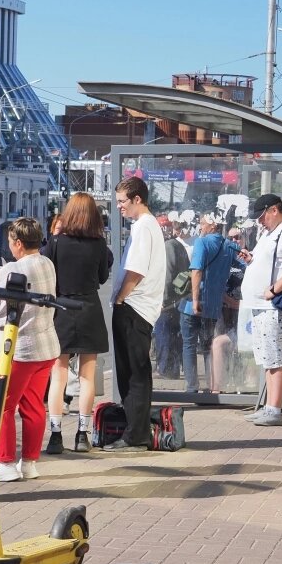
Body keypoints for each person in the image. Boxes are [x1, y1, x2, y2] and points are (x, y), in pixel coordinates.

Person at [0, 218, 60, 481]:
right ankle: (29, 462)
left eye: (10, 242)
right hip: (45, 346)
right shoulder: (47, 263)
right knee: (33, 406)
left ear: (17, 243)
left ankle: (5, 462)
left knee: (0, 405)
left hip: (16, 350)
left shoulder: (13, 270)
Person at [42, 193, 110, 454]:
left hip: (61, 310)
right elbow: (102, 277)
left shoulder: (57, 242)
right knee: (87, 377)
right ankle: (83, 435)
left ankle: (56, 435)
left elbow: (48, 273)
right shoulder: (99, 245)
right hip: (89, 309)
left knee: (57, 376)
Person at [106, 177, 166, 452]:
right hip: (140, 308)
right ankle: (136, 432)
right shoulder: (148, 226)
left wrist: (119, 297)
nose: (119, 207)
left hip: (134, 308)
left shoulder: (143, 227)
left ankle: (135, 435)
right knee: (135, 372)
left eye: (122, 202)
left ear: (137, 199)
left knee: (132, 374)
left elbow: (136, 270)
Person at [239, 194, 282, 427]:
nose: (260, 221)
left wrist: (275, 289)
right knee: (267, 357)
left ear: (273, 210)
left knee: (276, 355)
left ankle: (275, 408)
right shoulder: (270, 233)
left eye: (261, 216)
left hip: (272, 305)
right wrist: (251, 259)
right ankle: (269, 406)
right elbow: (271, 262)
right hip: (260, 304)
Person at [179, 214, 233, 393]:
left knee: (189, 344)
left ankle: (192, 386)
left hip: (194, 304)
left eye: (202, 224)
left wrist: (195, 300)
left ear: (212, 225)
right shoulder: (228, 245)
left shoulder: (202, 243)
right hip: (213, 306)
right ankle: (213, 386)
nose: (200, 227)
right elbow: (246, 264)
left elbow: (196, 272)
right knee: (208, 345)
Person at [153, 220, 189, 381]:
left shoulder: (168, 247)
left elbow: (167, 276)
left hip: (168, 302)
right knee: (173, 335)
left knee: (164, 334)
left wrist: (163, 299)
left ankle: (166, 369)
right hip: (178, 298)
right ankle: (172, 368)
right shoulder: (177, 245)